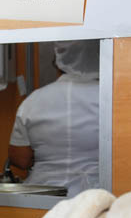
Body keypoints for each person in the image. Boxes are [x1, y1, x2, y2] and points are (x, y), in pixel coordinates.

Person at [8, 40, 100, 198]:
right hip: (95, 196)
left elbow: (20, 159)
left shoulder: (34, 100)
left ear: (57, 62)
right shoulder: (110, 99)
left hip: (44, 195)